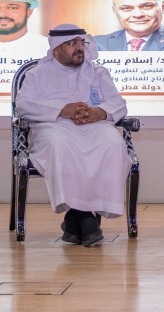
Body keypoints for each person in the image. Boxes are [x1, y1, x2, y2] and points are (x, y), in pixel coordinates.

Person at [14, 24, 132, 247]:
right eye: (72, 43)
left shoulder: (97, 72)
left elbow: (118, 103)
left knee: (112, 143)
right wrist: (62, 110)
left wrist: (100, 112)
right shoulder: (37, 74)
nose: (79, 48)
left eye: (81, 43)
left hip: (94, 126)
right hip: (54, 126)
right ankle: (86, 219)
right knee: (60, 145)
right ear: (56, 49)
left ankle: (76, 219)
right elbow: (24, 105)